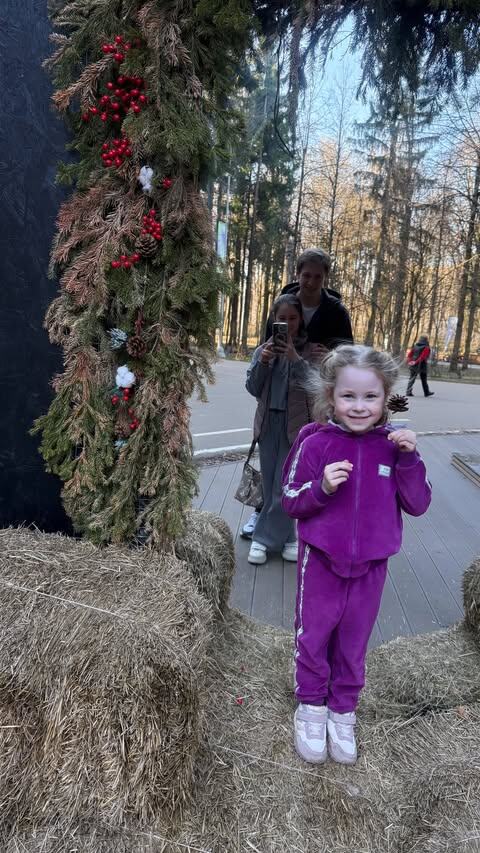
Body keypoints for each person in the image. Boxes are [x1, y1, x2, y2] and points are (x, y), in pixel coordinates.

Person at [281, 344, 431, 765]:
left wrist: (409, 459)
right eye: (349, 396)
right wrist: (321, 488)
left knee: (353, 641)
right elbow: (291, 500)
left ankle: (343, 710)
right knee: (313, 635)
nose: (360, 406)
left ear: (387, 399)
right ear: (331, 396)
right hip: (322, 561)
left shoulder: (393, 446)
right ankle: (311, 707)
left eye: (371, 397)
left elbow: (418, 504)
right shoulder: (315, 442)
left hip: (371, 565)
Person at [241, 248, 353, 539]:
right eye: (306, 275)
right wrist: (265, 358)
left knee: (302, 463)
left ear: (326, 278)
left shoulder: (336, 312)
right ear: (298, 274)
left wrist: (329, 353)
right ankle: (262, 515)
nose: (311, 282)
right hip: (276, 397)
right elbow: (268, 345)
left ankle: (295, 523)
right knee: (270, 467)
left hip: (311, 393)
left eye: (318, 276)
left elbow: (346, 352)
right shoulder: (283, 303)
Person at [244, 294, 317, 566]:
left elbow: (315, 386)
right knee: (269, 483)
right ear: (273, 320)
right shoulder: (262, 350)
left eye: (292, 318)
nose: (287, 323)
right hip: (267, 424)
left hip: (295, 426)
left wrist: (295, 358)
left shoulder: (310, 351)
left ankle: (262, 539)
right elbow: (252, 388)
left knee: (283, 485)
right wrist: (263, 360)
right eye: (281, 318)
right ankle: (289, 538)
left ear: (300, 320)